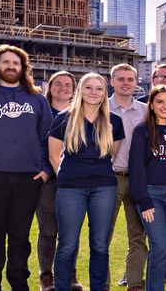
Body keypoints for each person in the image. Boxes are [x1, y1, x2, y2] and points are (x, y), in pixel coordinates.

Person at [47, 73, 124, 291]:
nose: (93, 92)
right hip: (70, 188)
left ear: (104, 92)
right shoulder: (63, 118)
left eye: (99, 88)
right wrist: (69, 177)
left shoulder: (114, 121)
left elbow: (113, 155)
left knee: (100, 245)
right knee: (67, 245)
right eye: (88, 87)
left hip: (104, 188)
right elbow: (54, 156)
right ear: (80, 90)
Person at [128, 85, 166, 291]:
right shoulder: (142, 130)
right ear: (151, 105)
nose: (165, 106)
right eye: (160, 102)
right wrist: (143, 200)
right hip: (151, 194)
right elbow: (136, 168)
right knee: (159, 247)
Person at [38, 70, 83, 291]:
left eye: (68, 85)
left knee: (70, 230)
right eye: (58, 83)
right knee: (48, 230)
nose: (63, 88)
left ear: (74, 90)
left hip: (74, 181)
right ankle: (46, 276)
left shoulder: (80, 113)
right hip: (48, 179)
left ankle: (70, 275)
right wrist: (46, 170)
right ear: (50, 86)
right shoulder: (40, 110)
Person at [106, 63, 150, 290]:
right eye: (120, 79)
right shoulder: (101, 107)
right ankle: (102, 283)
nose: (125, 83)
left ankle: (134, 283)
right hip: (109, 178)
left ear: (136, 83)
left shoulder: (145, 111)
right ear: (111, 81)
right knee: (103, 234)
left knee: (138, 235)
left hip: (137, 179)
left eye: (130, 79)